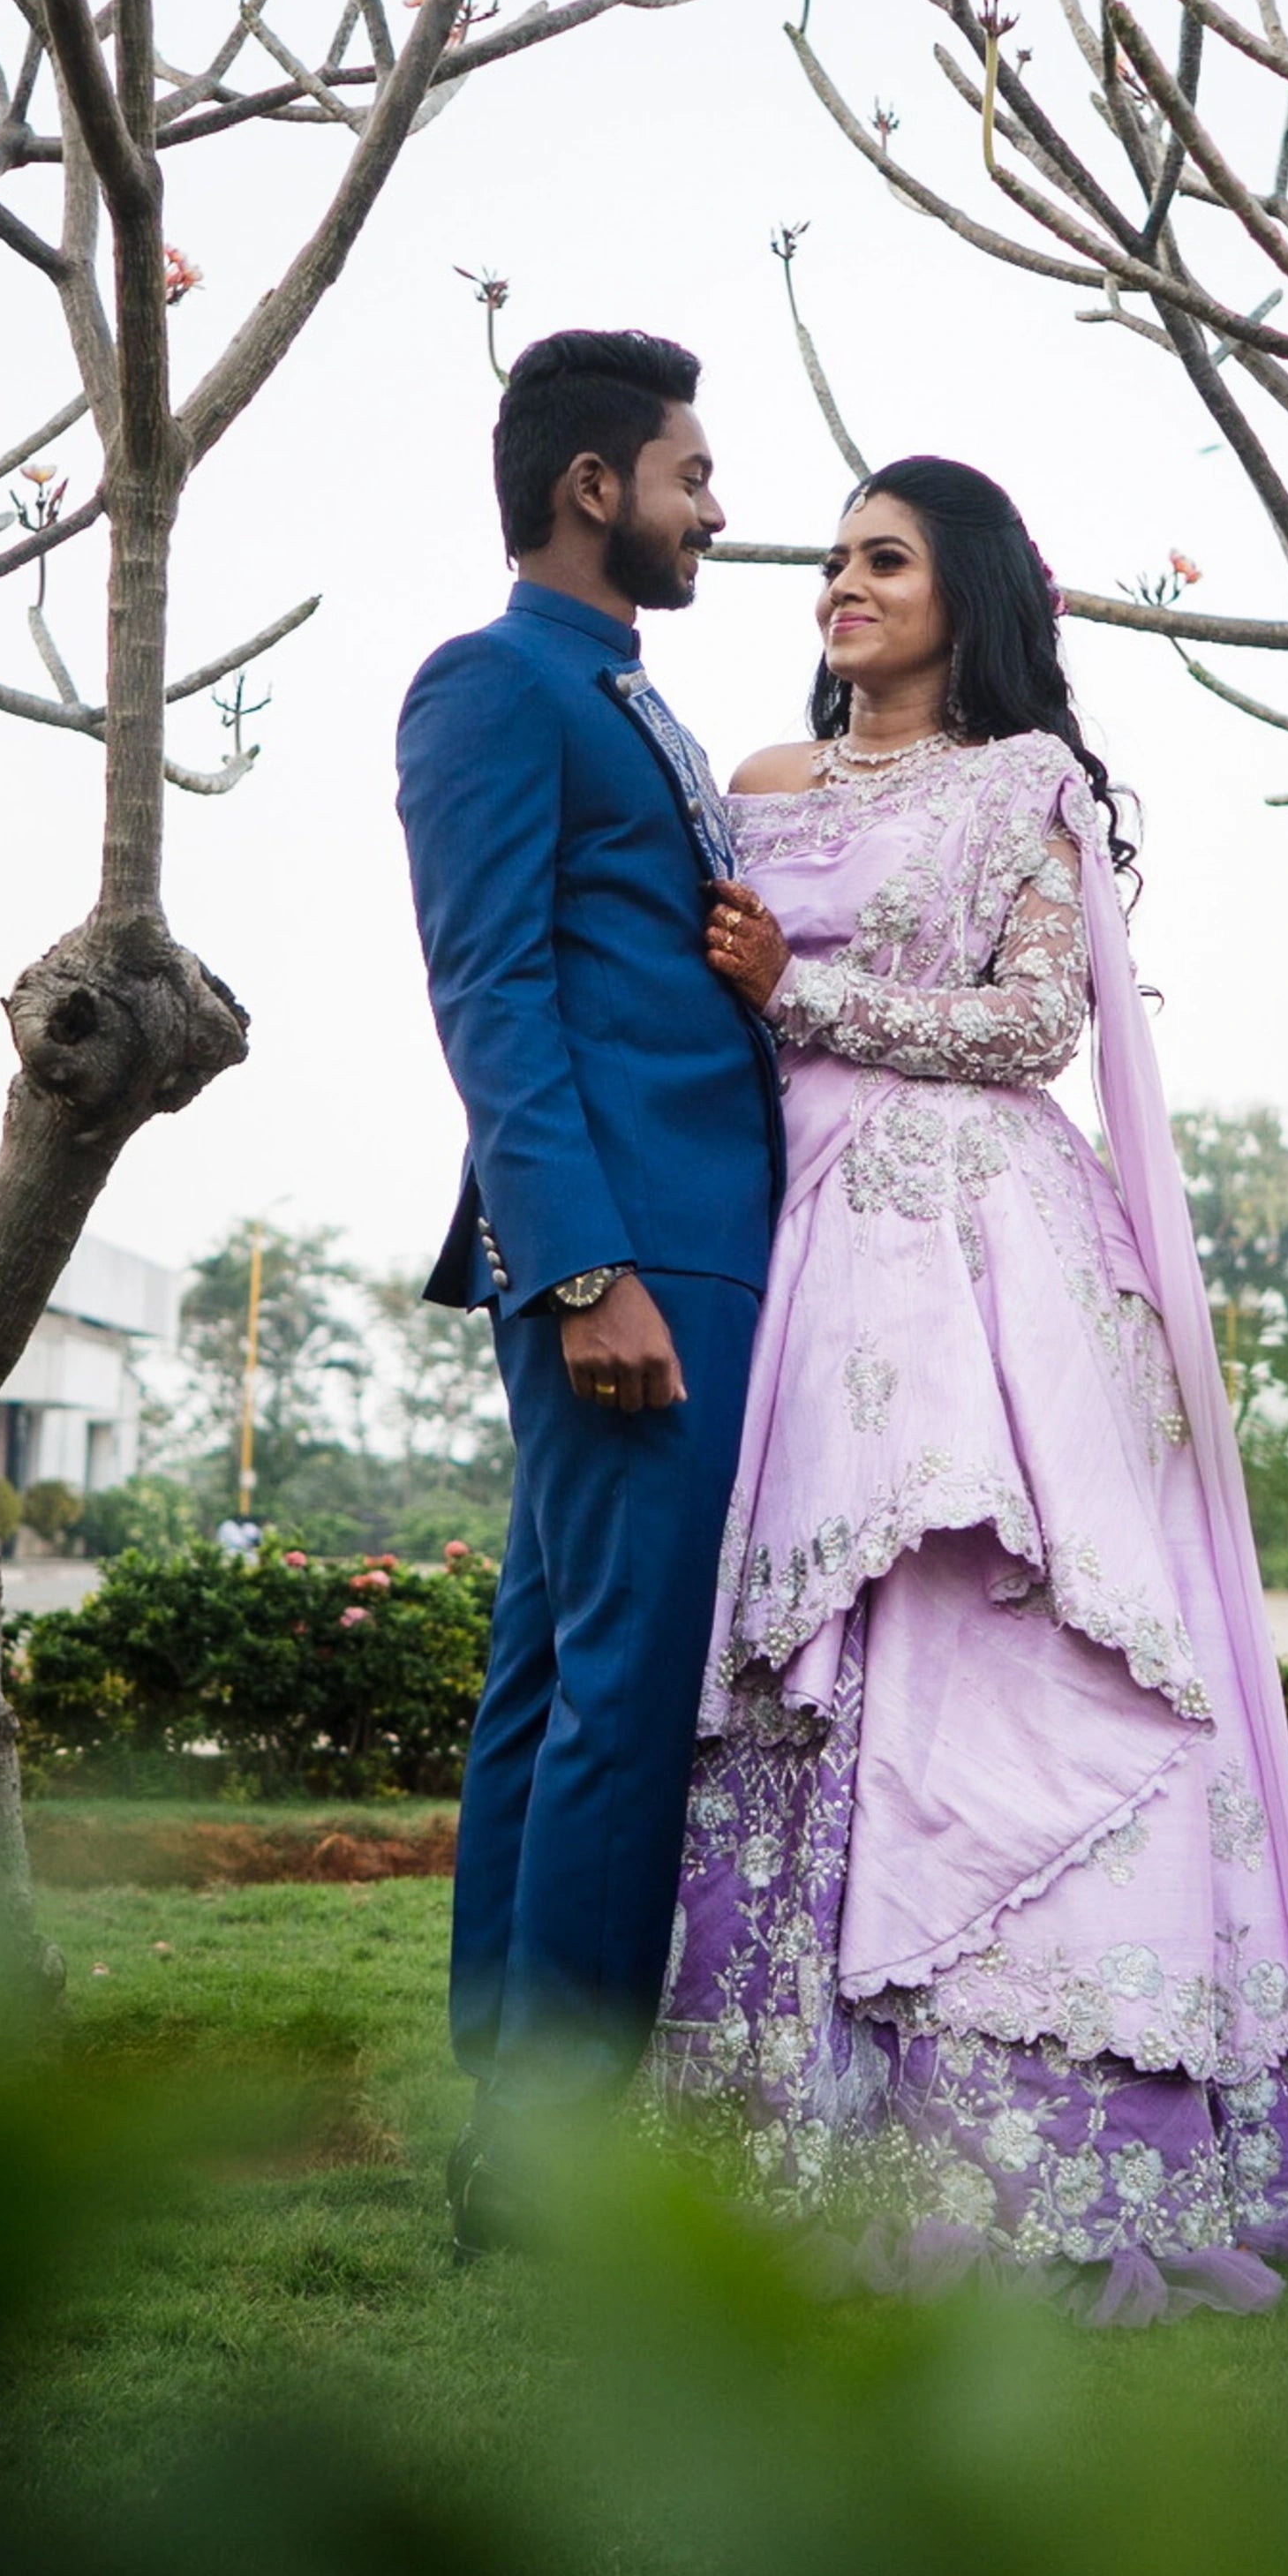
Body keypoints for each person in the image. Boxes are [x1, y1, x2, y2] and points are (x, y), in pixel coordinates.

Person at [657, 456, 1288, 2321]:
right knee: (817, 1654)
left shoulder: (1033, 790)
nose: (839, 587)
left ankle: (1016, 2138)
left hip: (990, 1263)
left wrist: (800, 997)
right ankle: (785, 2128)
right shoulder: (755, 792)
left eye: (883, 560)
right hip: (803, 1248)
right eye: (832, 558)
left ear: (969, 599)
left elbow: (1034, 1030)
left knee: (998, 1651)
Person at [397, 329, 781, 2251]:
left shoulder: (632, 700)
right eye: (691, 473)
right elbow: (489, 992)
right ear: (589, 487)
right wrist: (579, 1269)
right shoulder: (491, 686)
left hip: (682, 1234)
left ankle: (511, 2129)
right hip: (628, 1256)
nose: (715, 508)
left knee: (555, 1674)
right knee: (619, 1695)